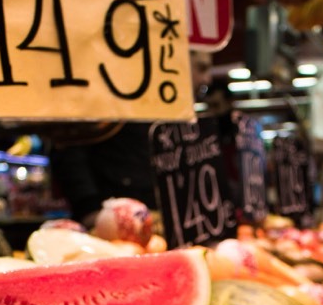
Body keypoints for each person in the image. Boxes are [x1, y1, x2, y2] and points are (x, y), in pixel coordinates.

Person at [49, 51, 214, 230]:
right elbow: (69, 146)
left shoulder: (173, 112)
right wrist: (89, 208)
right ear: (177, 59)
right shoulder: (113, 89)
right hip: (110, 228)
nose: (207, 79)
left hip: (159, 226)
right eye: (201, 68)